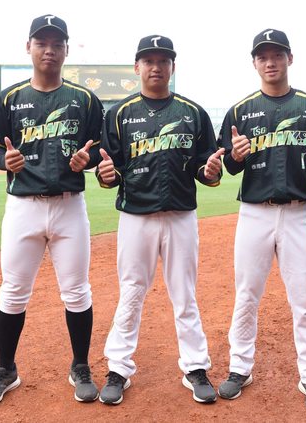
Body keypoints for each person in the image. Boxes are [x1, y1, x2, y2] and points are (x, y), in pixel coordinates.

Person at [0, 14, 104, 406]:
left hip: (69, 206)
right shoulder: (9, 98)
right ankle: (5, 369)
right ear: (28, 47)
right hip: (23, 207)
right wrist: (4, 161)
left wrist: (88, 160)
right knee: (13, 290)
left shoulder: (84, 100)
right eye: (42, 42)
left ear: (66, 49)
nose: (49, 50)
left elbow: (99, 149)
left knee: (76, 290)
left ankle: (80, 366)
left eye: (56, 43)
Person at [216, 29, 306, 412]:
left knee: (304, 299)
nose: (270, 62)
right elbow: (229, 167)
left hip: (298, 214)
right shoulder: (240, 111)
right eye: (263, 56)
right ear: (254, 63)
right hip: (254, 214)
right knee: (246, 296)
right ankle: (240, 368)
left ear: (290, 58)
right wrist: (236, 156)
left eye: (277, 54)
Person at [96, 35, 224, 405]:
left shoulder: (193, 112)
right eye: (149, 61)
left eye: (163, 61)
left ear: (172, 66)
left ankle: (195, 367)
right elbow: (109, 169)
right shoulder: (118, 114)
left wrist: (210, 171)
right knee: (131, 292)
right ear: (137, 67)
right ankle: (118, 368)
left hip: (181, 216)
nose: (156, 67)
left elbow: (206, 166)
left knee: (184, 294)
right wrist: (106, 177)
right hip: (136, 217)